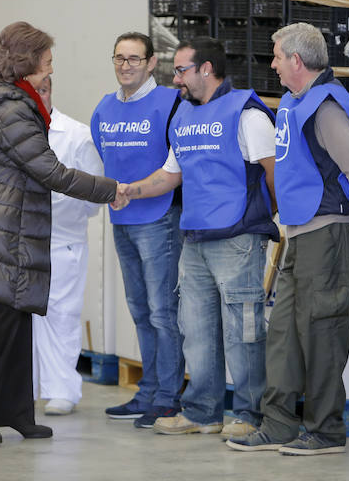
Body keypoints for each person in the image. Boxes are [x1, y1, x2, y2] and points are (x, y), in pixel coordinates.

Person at [0, 22, 119, 446]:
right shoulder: (13, 110)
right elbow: (48, 170)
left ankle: (14, 411)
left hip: (10, 231)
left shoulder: (14, 102)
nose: (50, 71)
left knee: (17, 322)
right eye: (47, 63)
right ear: (27, 64)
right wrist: (111, 189)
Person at [119, 36, 278, 440]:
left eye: (181, 70)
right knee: (197, 328)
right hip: (195, 238)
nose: (175, 79)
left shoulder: (247, 114)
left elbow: (273, 171)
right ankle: (203, 411)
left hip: (238, 238)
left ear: (206, 69)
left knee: (243, 330)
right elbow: (170, 176)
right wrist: (128, 190)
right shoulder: (183, 116)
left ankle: (248, 414)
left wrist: (268, 215)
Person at [227, 22, 349, 455]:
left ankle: (326, 430)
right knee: (286, 331)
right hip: (301, 232)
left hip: (329, 230)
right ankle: (279, 423)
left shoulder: (325, 108)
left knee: (322, 332)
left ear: (295, 60)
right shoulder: (296, 101)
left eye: (275, 56)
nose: (271, 64)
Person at [91, 32, 183, 428]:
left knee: (163, 312)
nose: (125, 65)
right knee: (141, 310)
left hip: (159, 219)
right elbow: (103, 156)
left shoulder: (170, 103)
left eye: (134, 58)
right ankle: (147, 391)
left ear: (151, 63)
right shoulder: (104, 109)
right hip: (122, 221)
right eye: (119, 58)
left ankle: (167, 398)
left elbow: (177, 163)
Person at [30, 74, 104, 416]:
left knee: (61, 314)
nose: (38, 97)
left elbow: (93, 196)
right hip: (22, 241)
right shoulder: (13, 134)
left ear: (51, 90)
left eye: (43, 90)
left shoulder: (76, 135)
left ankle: (61, 389)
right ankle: (26, 385)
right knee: (23, 318)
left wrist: (63, 212)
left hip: (64, 240)